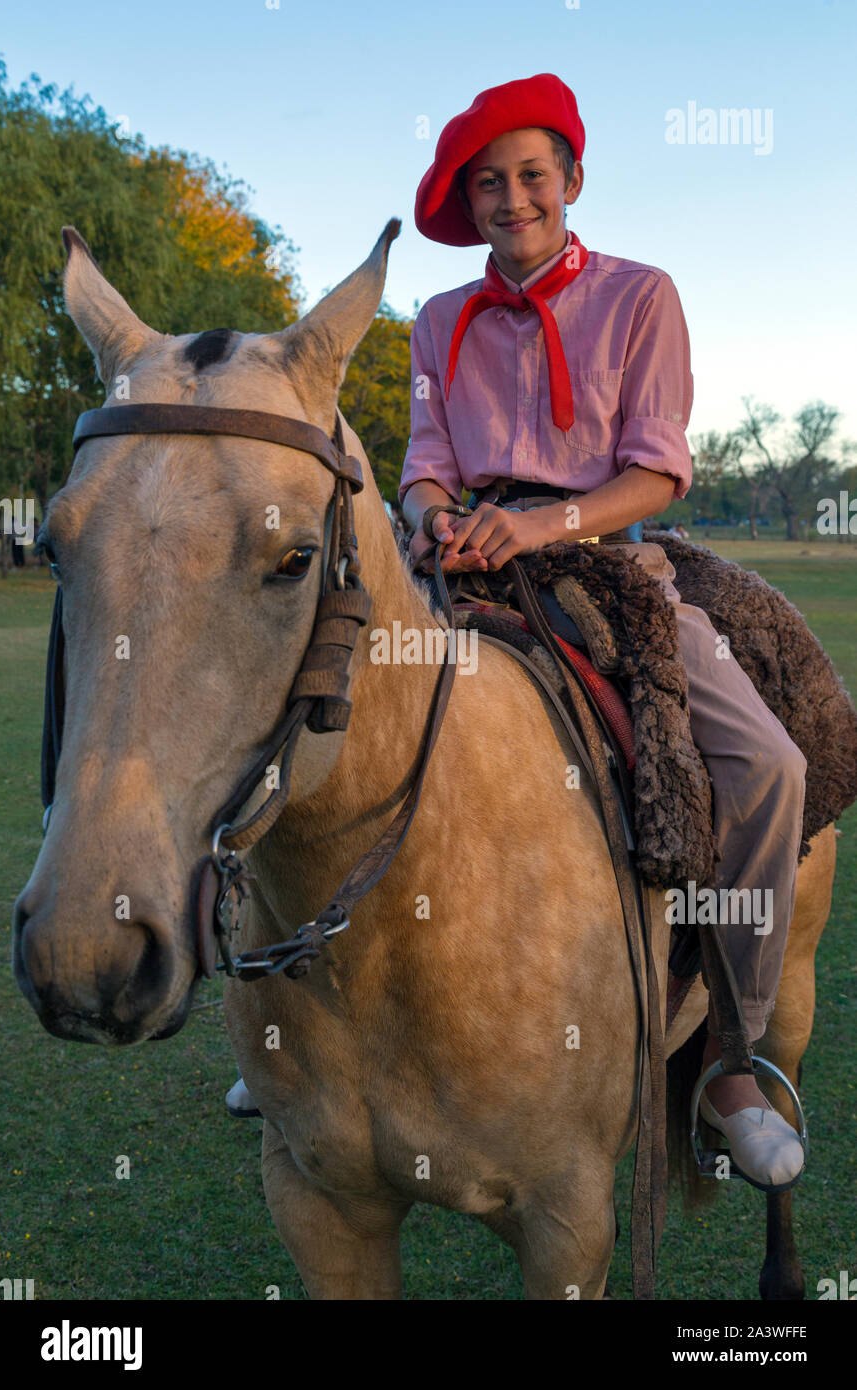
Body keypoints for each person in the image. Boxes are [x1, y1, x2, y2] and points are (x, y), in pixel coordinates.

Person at [398, 73, 806, 1188]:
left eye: (530, 174)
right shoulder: (437, 321)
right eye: (487, 181)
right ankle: (288, 1016)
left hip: (599, 560)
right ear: (468, 202)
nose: (511, 197)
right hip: (459, 560)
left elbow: (655, 470)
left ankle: (728, 1054)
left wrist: (535, 526)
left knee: (768, 765)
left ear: (570, 181)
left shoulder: (641, 295)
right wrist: (441, 525)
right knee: (294, 687)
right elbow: (422, 472)